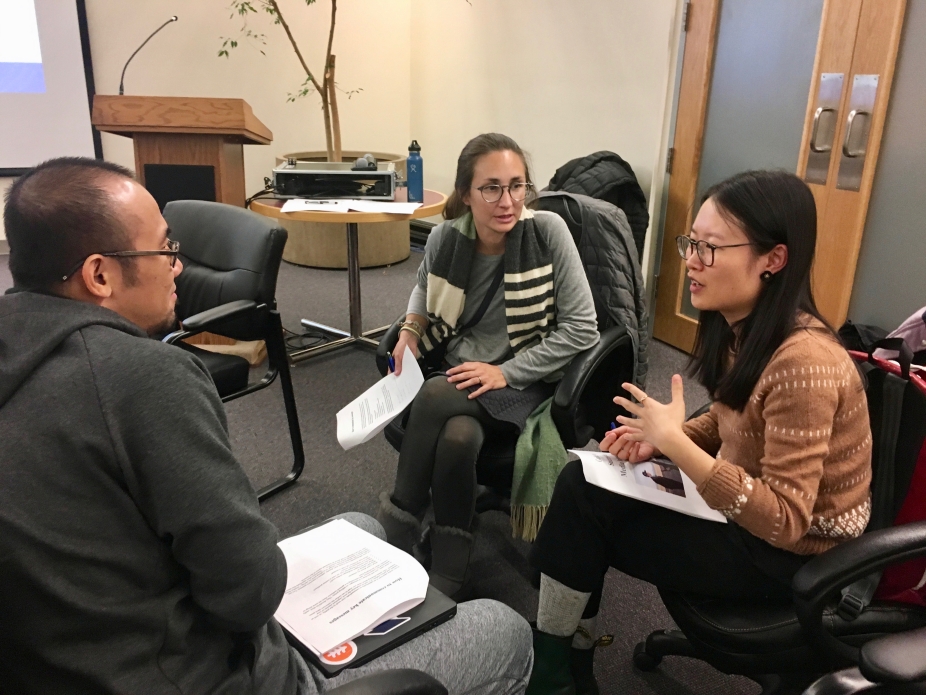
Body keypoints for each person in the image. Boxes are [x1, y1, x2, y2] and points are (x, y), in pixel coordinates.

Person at [0, 157, 533, 694]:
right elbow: (250, 595)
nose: (176, 267)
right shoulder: (144, 378)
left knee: (362, 528)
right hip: (215, 673)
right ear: (99, 274)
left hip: (78, 651)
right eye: (165, 250)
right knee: (505, 632)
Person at [525, 170, 873, 695]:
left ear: (773, 260)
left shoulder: (805, 364)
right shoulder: (745, 326)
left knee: (584, 519)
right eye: (692, 243)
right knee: (584, 484)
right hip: (740, 507)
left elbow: (786, 521)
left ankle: (555, 673)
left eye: (710, 248)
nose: (691, 260)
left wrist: (676, 446)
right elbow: (733, 417)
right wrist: (668, 436)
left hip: (790, 557)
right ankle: (565, 665)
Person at [376, 134, 600, 599]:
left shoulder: (548, 233)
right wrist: (411, 330)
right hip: (463, 373)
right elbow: (423, 289)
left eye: (517, 186)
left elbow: (583, 329)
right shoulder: (444, 239)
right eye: (491, 188)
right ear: (465, 194)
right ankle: (450, 572)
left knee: (436, 395)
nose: (508, 201)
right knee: (458, 437)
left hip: (526, 379)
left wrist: (507, 372)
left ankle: (396, 533)